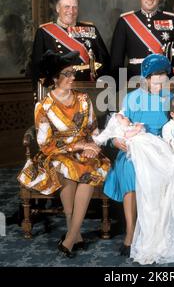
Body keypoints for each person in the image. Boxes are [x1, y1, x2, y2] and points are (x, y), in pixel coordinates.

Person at [102, 54, 174, 264]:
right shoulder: (131, 98)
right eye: (154, 78)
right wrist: (116, 142)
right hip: (134, 145)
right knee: (129, 171)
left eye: (162, 78)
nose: (159, 82)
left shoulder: (172, 99)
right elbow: (118, 127)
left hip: (163, 144)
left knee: (168, 169)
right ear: (145, 78)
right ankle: (130, 232)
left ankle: (157, 231)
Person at [18, 50, 111, 257]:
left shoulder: (84, 99)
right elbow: (45, 144)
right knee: (66, 166)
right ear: (54, 78)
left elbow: (94, 129)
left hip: (85, 151)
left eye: (72, 73)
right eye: (67, 74)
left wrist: (92, 147)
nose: (72, 77)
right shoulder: (43, 106)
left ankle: (70, 237)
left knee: (89, 169)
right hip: (57, 153)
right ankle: (74, 234)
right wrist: (75, 147)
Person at [110, 0, 174, 83]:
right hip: (135, 82)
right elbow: (116, 62)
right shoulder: (125, 21)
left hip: (165, 81)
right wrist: (120, 89)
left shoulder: (173, 20)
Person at [29, 0, 110, 92]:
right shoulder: (44, 32)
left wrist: (101, 88)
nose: (71, 11)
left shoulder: (90, 29)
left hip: (88, 89)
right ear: (58, 8)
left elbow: (105, 62)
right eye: (66, 7)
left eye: (74, 7)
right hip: (59, 92)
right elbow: (37, 69)